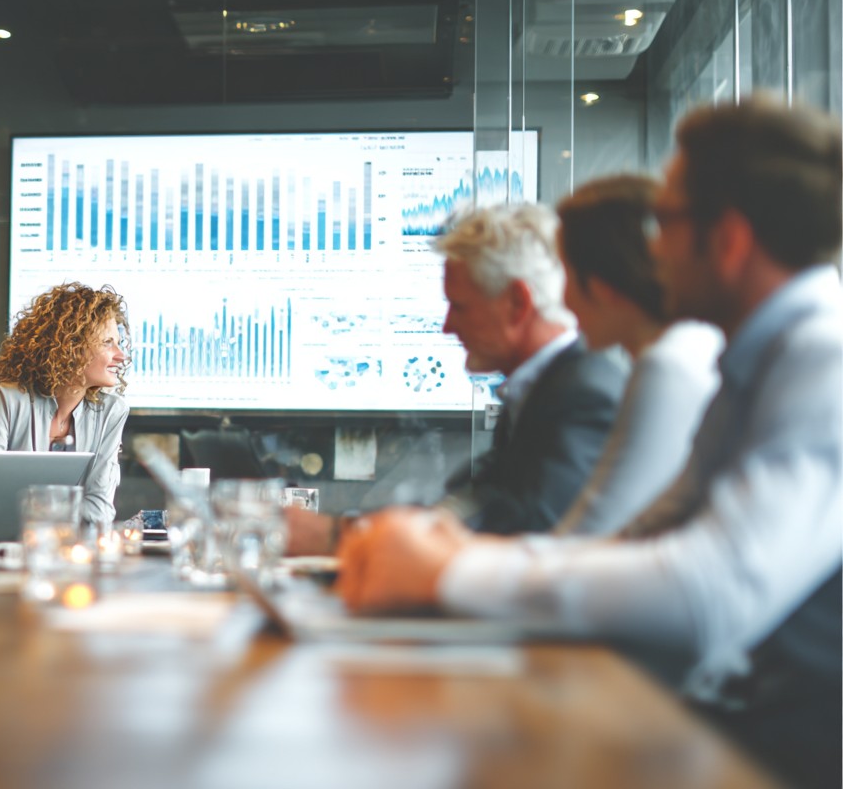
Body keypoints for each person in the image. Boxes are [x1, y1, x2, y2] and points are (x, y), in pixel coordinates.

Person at [335, 97, 842, 789]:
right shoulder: (752, 359)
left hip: (773, 752)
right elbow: (639, 538)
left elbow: (706, 591)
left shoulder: (824, 363)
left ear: (728, 239)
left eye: (664, 221)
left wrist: (451, 572)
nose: (651, 249)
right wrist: (453, 552)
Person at [288, 203, 628, 552]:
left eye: (460, 306)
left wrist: (339, 536)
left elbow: (523, 526)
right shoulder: (541, 391)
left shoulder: (583, 398)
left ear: (517, 303)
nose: (447, 326)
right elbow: (467, 503)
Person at [551, 175, 722, 536]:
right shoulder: (696, 347)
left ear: (603, 286)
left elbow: (595, 530)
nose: (562, 299)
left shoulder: (666, 367)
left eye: (564, 273)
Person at [0, 282, 130, 527]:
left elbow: (100, 511)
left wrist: (27, 505)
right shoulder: (7, 401)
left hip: (73, 554)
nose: (121, 355)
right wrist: (68, 506)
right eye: (108, 342)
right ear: (71, 345)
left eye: (118, 343)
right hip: (3, 550)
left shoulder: (112, 412)